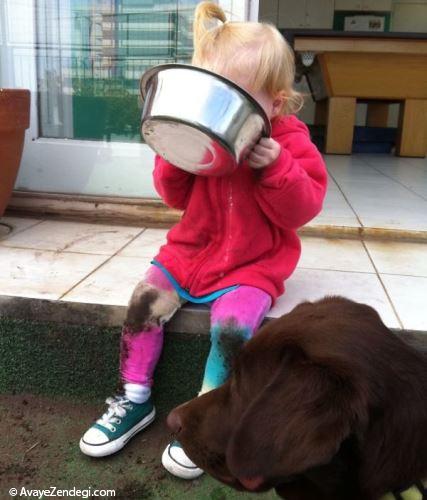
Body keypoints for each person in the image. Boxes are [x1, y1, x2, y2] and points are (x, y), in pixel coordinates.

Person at [79, 1, 328, 480]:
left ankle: (206, 420)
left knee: (233, 328)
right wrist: (174, 150)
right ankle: (133, 398)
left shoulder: (291, 142)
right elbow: (174, 196)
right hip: (189, 254)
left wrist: (276, 167)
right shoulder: (199, 128)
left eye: (234, 96)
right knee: (143, 303)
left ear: (274, 104)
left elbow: (302, 209)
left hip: (252, 265)